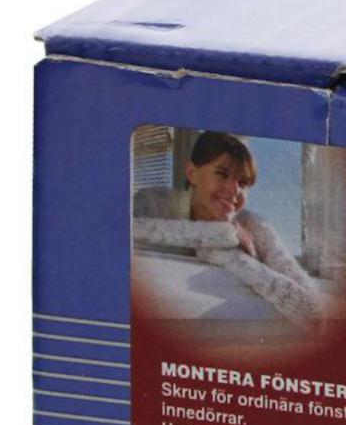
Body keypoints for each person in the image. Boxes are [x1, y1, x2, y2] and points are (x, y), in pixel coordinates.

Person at [133, 131, 324, 329]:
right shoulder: (154, 202)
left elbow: (311, 311)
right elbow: (123, 233)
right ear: (192, 173)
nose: (234, 190)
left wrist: (234, 259)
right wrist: (222, 235)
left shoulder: (254, 226)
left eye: (243, 182)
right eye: (222, 174)